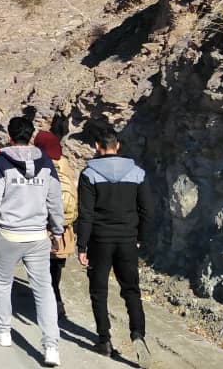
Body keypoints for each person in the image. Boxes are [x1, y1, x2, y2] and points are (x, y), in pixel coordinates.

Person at [0, 107, 64, 367]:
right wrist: (57, 230)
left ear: (10, 137)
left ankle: (3, 332)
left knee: (2, 283)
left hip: (7, 234)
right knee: (44, 289)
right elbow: (55, 199)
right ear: (31, 136)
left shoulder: (1, 161)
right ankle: (51, 347)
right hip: (37, 235)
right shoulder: (45, 162)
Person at [77, 122, 152, 367]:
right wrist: (140, 238)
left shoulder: (89, 174)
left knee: (99, 291)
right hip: (128, 239)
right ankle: (138, 334)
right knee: (131, 290)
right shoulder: (137, 173)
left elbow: (86, 214)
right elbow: (147, 210)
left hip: (100, 240)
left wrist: (82, 246)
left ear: (97, 146)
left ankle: (104, 340)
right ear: (117, 146)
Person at [34, 113, 77, 320]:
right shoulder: (65, 163)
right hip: (63, 226)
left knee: (41, 269)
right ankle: (56, 300)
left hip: (41, 227)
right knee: (55, 268)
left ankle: (49, 303)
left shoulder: (38, 164)